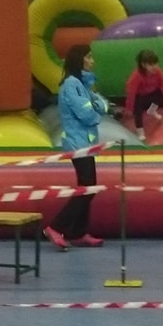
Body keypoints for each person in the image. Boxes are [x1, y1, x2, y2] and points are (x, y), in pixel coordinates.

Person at [45, 43, 107, 251]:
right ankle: (56, 227)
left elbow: (102, 104)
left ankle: (78, 232)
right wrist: (98, 111)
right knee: (87, 188)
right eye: (88, 57)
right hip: (77, 143)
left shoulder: (84, 84)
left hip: (86, 143)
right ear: (79, 60)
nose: (92, 61)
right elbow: (87, 114)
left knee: (88, 188)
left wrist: (98, 107)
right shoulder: (72, 85)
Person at [125, 48, 163, 135]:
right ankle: (140, 130)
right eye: (151, 64)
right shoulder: (137, 76)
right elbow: (131, 93)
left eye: (155, 63)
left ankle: (151, 110)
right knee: (138, 111)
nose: (154, 67)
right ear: (143, 65)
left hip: (152, 93)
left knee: (162, 95)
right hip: (140, 96)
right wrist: (129, 108)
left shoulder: (158, 71)